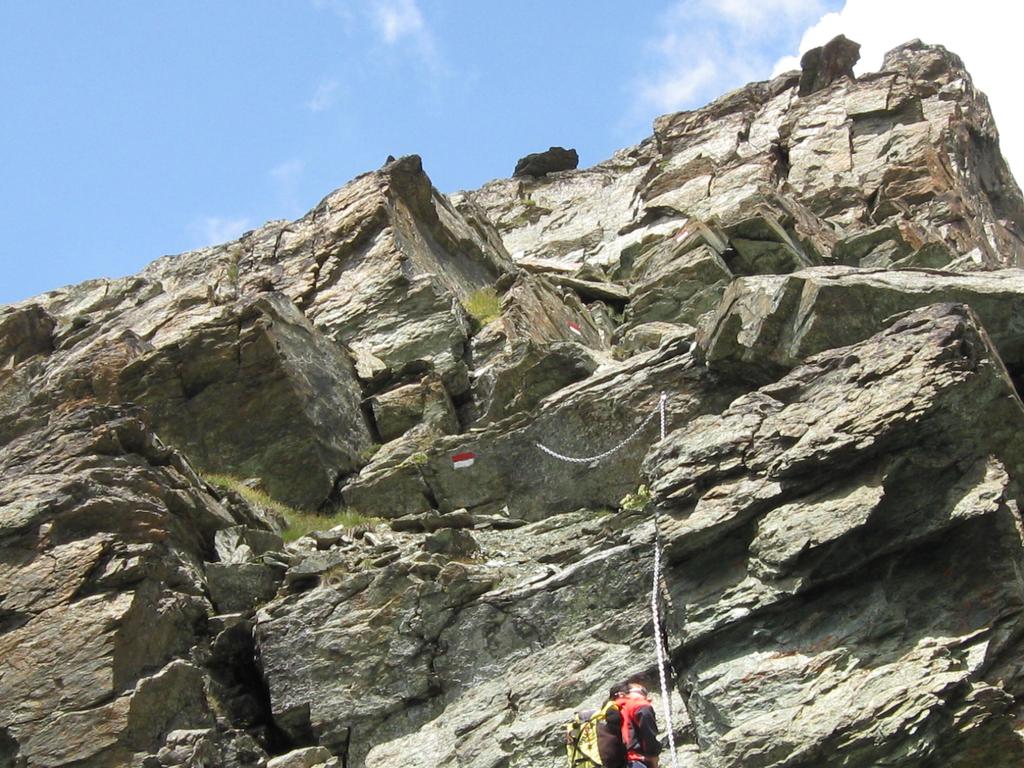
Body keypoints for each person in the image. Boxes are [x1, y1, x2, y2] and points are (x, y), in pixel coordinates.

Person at [613, 678, 662, 768]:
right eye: (642, 692)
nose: (647, 697)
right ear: (624, 694)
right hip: (637, 761)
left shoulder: (615, 711)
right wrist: (653, 756)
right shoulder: (637, 704)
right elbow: (648, 734)